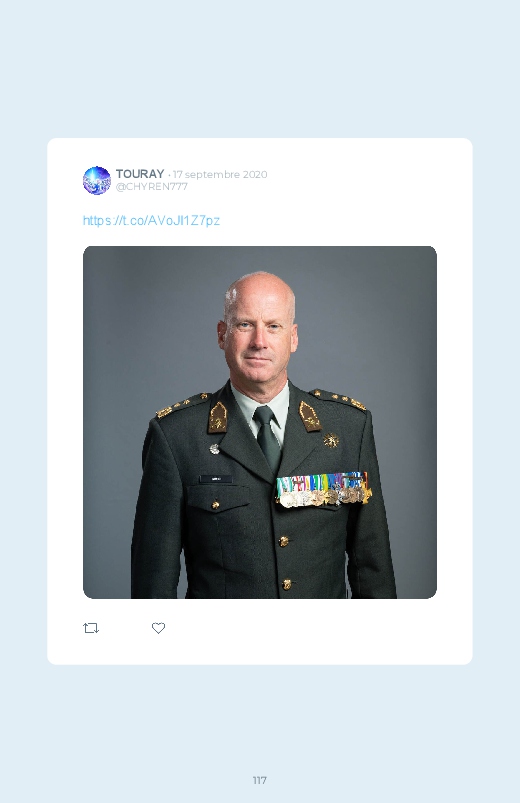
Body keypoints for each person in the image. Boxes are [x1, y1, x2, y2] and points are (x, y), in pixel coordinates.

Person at [131, 272, 396, 599]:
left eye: (273, 326)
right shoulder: (176, 437)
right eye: (245, 324)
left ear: (293, 338)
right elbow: (153, 584)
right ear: (222, 334)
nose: (259, 341)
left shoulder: (348, 428)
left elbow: (373, 570)